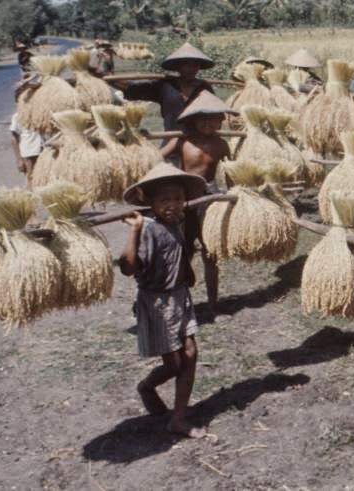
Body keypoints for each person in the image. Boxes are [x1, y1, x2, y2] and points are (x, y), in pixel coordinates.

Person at [117, 163, 209, 438]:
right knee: (175, 363)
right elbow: (128, 267)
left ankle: (178, 418)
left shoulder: (177, 221)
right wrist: (133, 231)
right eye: (164, 200)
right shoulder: (147, 228)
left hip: (180, 297)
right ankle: (147, 387)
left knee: (190, 354)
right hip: (157, 303)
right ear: (150, 203)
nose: (173, 205)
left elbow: (179, 250)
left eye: (178, 198)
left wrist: (188, 274)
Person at [161, 91, 231, 313]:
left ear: (222, 120)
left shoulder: (221, 144)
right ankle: (180, 298)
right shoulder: (181, 141)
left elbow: (231, 173)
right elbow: (158, 156)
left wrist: (234, 194)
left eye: (214, 118)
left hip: (209, 196)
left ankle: (212, 303)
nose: (209, 123)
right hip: (184, 198)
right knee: (183, 249)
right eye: (203, 119)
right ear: (193, 120)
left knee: (210, 251)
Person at [111, 42, 215, 132]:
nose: (192, 69)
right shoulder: (166, 86)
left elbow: (216, 114)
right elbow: (133, 89)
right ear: (178, 67)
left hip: (199, 141)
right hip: (172, 138)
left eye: (195, 65)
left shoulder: (204, 87)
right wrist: (107, 77)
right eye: (187, 65)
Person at [9, 82, 45, 186]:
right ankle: (30, 199)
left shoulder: (40, 114)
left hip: (42, 148)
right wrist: (19, 159)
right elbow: (14, 139)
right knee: (31, 177)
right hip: (29, 152)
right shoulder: (17, 117)